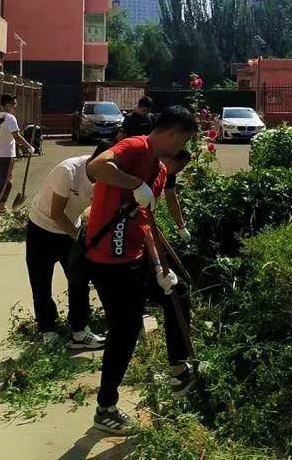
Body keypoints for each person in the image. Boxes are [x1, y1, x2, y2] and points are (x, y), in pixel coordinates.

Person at [85, 106, 197, 435]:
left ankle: (178, 368)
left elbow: (146, 222)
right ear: (173, 133)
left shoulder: (161, 171)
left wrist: (160, 267)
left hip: (134, 258)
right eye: (184, 139)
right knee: (126, 329)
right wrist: (133, 182)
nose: (182, 147)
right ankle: (105, 408)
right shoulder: (136, 147)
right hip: (107, 260)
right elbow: (97, 167)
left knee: (177, 291)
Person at [26, 141, 113, 347]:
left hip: (71, 230)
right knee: (41, 282)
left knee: (79, 280)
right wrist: (80, 237)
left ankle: (80, 331)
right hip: (41, 229)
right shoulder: (68, 171)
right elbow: (57, 213)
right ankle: (48, 330)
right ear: (97, 161)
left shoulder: (108, 178)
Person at [0, 94, 34, 222]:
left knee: (8, 181)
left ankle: (2, 207)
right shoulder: (10, 118)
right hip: (6, 155)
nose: (15, 107)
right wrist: (29, 147)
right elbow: (16, 136)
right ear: (7, 105)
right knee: (0, 182)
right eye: (14, 104)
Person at [164, 150, 192, 241]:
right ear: (170, 160)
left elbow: (171, 199)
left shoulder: (170, 175)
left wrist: (181, 226)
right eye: (179, 167)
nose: (178, 171)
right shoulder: (150, 167)